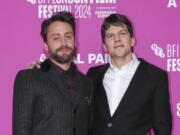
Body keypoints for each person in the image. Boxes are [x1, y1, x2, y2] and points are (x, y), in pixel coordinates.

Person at [87, 13, 172, 135]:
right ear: (104, 46)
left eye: (122, 33)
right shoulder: (93, 75)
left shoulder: (155, 77)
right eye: (110, 36)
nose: (117, 39)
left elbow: (162, 128)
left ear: (132, 40)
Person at [13, 11, 93, 135]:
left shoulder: (87, 82)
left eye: (68, 36)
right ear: (45, 45)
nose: (64, 43)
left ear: (75, 41)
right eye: (56, 38)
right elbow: (21, 130)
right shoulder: (29, 78)